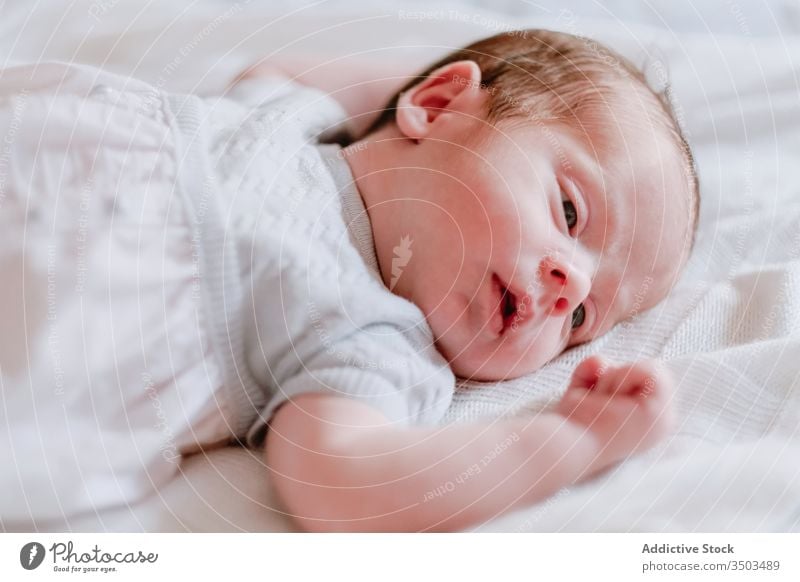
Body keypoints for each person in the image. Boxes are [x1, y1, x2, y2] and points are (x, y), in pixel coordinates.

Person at [0, 29, 697, 532]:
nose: (568, 286)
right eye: (571, 211)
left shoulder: (373, 342)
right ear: (438, 101)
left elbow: (348, 481)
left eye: (583, 318)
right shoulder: (296, 117)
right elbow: (292, 66)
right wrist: (455, 93)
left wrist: (571, 440)